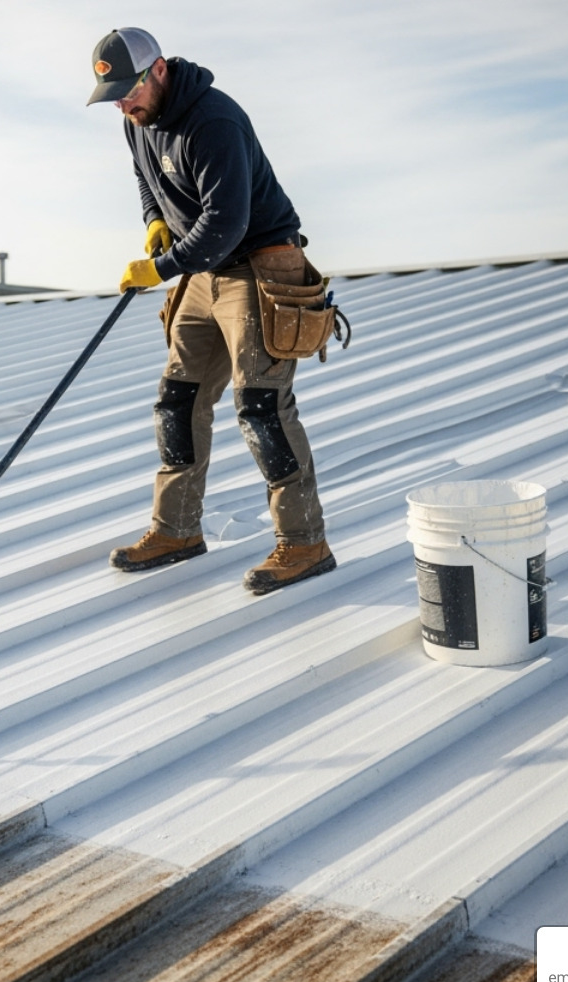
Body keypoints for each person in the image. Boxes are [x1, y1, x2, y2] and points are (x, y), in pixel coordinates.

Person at [87, 27, 336, 595]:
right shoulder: (137, 122)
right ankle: (175, 529)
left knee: (262, 408)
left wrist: (161, 267)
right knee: (177, 399)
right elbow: (146, 180)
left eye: (130, 91)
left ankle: (304, 544)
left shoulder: (213, 120)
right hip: (203, 270)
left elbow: (226, 223)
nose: (124, 105)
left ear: (159, 71)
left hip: (260, 266)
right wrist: (154, 222)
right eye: (115, 97)